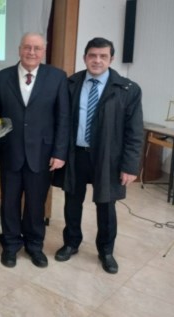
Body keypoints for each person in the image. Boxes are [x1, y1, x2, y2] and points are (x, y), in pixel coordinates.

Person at [53, 37, 143, 274]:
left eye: (103, 56)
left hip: (108, 159)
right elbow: (60, 122)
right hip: (76, 154)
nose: (97, 60)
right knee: (72, 202)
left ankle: (106, 251)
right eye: (92, 55)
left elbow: (134, 132)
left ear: (111, 59)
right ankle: (71, 242)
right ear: (85, 58)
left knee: (106, 205)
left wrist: (130, 166)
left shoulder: (127, 89)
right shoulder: (71, 83)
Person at [0, 32, 70, 269]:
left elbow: (63, 118)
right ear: (19, 49)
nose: (31, 52)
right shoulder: (1, 78)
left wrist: (60, 152)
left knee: (36, 203)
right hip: (11, 152)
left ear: (43, 51)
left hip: (42, 155)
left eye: (37, 48)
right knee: (10, 202)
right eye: (27, 47)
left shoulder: (57, 77)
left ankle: (34, 245)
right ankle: (11, 245)